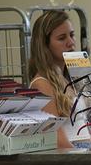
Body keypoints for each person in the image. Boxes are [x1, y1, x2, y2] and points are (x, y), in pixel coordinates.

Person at [28, 10, 77, 149]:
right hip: (70, 163)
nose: (71, 42)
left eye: (72, 35)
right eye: (62, 38)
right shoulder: (42, 85)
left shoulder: (69, 80)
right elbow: (57, 139)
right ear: (44, 45)